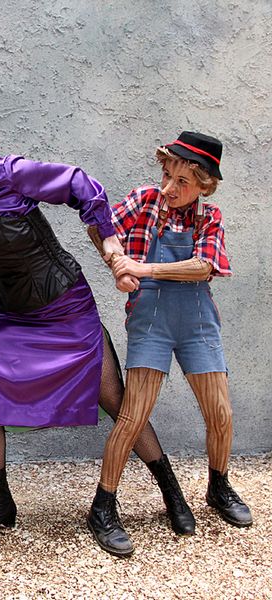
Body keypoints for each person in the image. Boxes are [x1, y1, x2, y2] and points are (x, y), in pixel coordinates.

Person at [0, 95, 192, 546]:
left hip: (65, 303)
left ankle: (172, 493)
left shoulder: (8, 174)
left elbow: (80, 183)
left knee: (115, 399)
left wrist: (109, 240)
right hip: (14, 314)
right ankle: (0, 504)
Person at [87, 131, 252, 558]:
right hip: (151, 322)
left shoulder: (209, 217)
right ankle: (103, 505)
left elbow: (203, 266)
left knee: (220, 413)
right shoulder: (144, 200)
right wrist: (116, 263)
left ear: (204, 186)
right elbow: (99, 225)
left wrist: (141, 268)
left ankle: (218, 487)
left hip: (198, 323)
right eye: (166, 176)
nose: (168, 188)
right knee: (132, 417)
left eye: (181, 182)